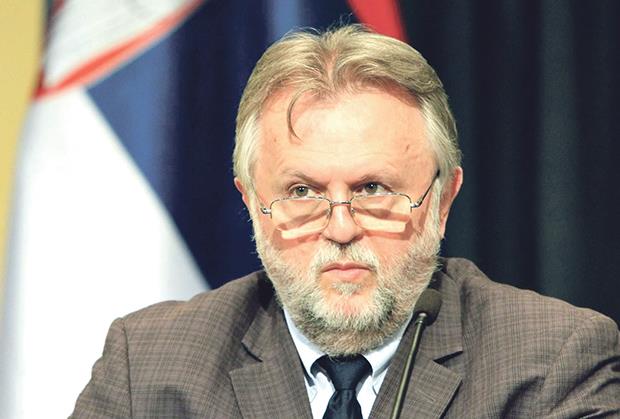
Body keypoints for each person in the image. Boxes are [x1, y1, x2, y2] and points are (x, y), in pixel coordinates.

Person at [71, 25, 619, 418]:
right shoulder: (147, 367)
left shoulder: (552, 363)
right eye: (302, 192)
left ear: (442, 201)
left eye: (372, 189)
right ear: (252, 203)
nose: (340, 230)